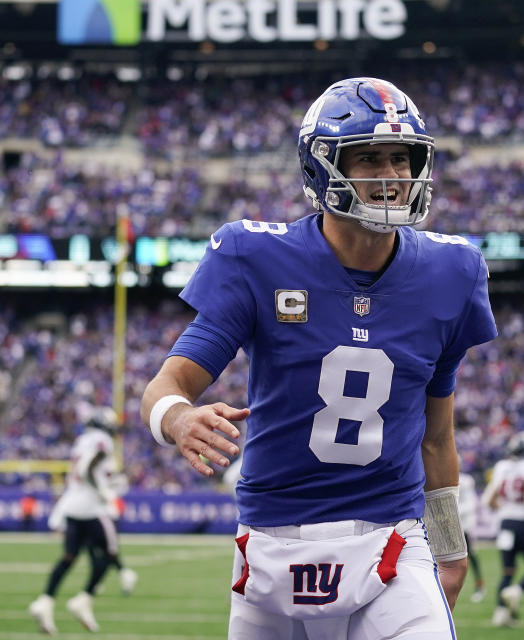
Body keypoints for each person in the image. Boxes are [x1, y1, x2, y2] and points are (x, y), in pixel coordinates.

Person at [140, 77, 497, 640]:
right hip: (272, 543)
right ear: (321, 168)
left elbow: (437, 437)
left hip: (393, 541)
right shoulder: (254, 256)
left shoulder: (450, 272)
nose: (392, 176)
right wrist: (179, 418)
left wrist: (450, 548)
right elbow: (165, 385)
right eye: (369, 157)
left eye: (401, 158)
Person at [28, 407, 138, 634]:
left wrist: (109, 483)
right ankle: (84, 599)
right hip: (90, 506)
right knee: (110, 553)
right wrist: (102, 490)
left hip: (72, 505)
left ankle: (45, 601)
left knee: (69, 557)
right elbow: (89, 468)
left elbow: (90, 469)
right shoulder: (101, 440)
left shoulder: (82, 440)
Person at [480, 431, 524, 627]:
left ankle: (500, 614)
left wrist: (504, 510)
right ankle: (517, 591)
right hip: (523, 524)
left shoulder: (502, 467)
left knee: (507, 571)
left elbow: (487, 500)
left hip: (505, 524)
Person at [457, 464, 486, 603]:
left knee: (470, 557)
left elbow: (470, 504)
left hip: (463, 525)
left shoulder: (465, 480)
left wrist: (451, 512)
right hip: (447, 524)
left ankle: (479, 587)